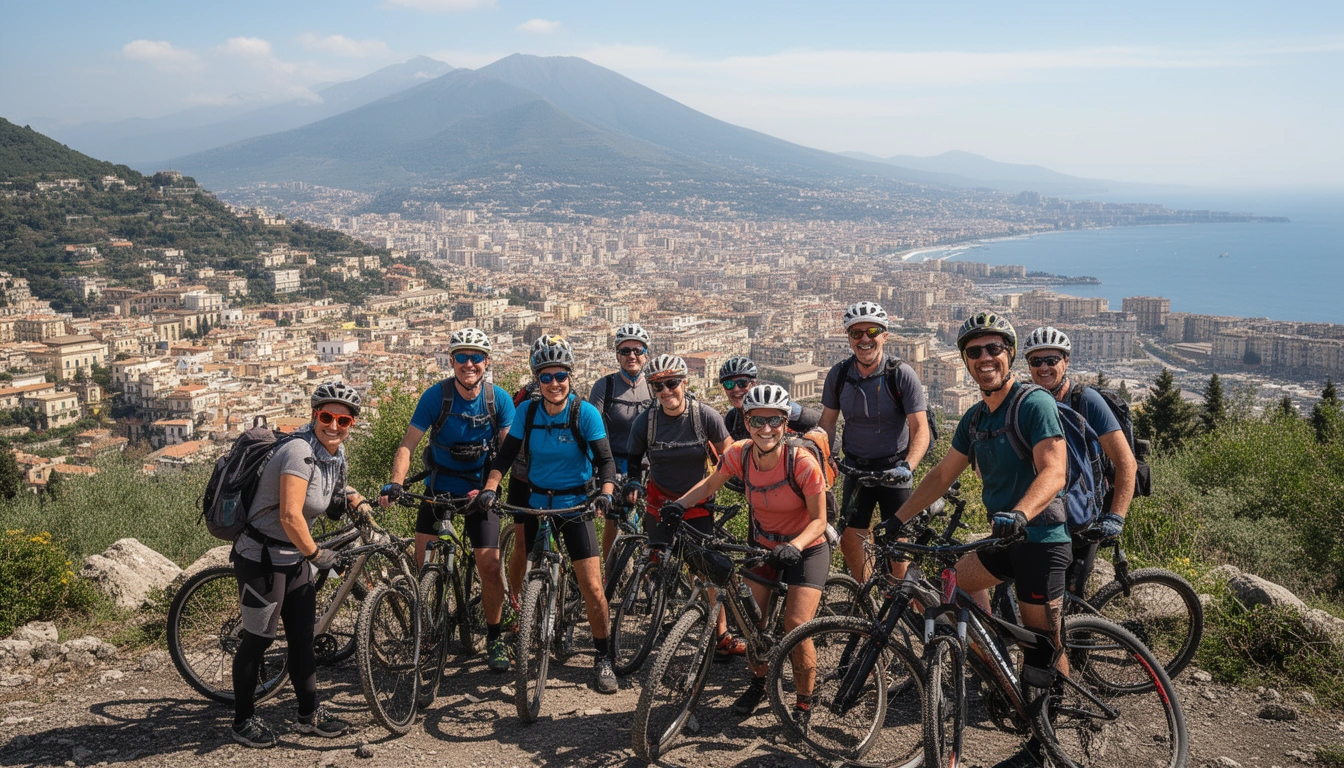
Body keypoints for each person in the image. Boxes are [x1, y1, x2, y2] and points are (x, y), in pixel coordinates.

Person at [891, 312, 1069, 768]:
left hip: (1041, 538)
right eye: (975, 351)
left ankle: (1052, 736)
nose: (985, 358)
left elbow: (1054, 470)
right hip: (1004, 539)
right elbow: (942, 474)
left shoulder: (1033, 404)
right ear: (966, 361)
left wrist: (1021, 512)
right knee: (956, 584)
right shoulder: (974, 418)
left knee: (1042, 645)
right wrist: (897, 520)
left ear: (1010, 354)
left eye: (994, 349)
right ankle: (996, 662)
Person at [663, 384, 830, 717]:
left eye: (774, 420)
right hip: (764, 544)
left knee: (797, 626)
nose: (766, 429)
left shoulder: (802, 462)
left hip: (806, 547)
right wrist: (679, 505)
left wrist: (794, 545)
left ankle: (804, 703)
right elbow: (710, 484)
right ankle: (759, 683)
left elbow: (819, 521)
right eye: (757, 421)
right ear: (746, 422)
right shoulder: (739, 454)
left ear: (785, 423)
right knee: (754, 624)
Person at [478, 338, 622, 694]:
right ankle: (525, 618)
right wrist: (490, 488)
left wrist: (605, 494)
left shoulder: (583, 413)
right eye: (546, 377)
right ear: (537, 380)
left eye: (560, 376)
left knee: (592, 586)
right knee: (526, 558)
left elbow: (606, 461)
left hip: (575, 504)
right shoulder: (528, 412)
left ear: (570, 376)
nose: (554, 384)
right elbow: (506, 456)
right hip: (537, 500)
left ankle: (603, 656)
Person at [230, 382, 366, 748]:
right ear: (314, 415)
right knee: (258, 640)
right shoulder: (299, 452)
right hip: (262, 557)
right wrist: (316, 554)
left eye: (343, 420)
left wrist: (357, 499)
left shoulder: (332, 455)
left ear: (351, 424)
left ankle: (309, 714)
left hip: (294, 557)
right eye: (327, 417)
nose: (334, 425)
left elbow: (331, 492)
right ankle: (242, 720)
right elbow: (290, 515)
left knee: (303, 640)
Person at [377, 328, 516, 672]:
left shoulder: (498, 400)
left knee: (489, 566)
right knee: (422, 562)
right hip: (439, 488)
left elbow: (507, 452)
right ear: (451, 361)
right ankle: (426, 629)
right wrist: (396, 482)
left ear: (487, 362)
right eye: (462, 357)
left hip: (480, 491)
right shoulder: (435, 397)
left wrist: (491, 488)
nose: (469, 364)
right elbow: (408, 445)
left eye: (476, 357)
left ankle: (495, 637)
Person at [624, 354, 742, 657]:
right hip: (660, 502)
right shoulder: (646, 422)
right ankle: (667, 611)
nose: (666, 391)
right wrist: (633, 482)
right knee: (658, 561)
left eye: (672, 383)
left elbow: (729, 457)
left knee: (705, 569)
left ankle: (721, 634)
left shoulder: (705, 416)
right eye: (658, 386)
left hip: (698, 504)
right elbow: (633, 460)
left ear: (685, 383)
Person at [818, 301, 931, 583]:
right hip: (856, 469)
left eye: (872, 332)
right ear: (849, 338)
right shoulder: (839, 375)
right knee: (850, 540)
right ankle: (867, 593)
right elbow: (827, 423)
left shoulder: (900, 374)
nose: (864, 339)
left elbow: (921, 429)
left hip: (895, 469)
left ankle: (901, 596)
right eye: (856, 334)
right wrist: (822, 458)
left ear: (884, 336)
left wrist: (908, 466)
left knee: (898, 544)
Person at [1022, 326, 1136, 596]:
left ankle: (1081, 622)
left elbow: (1126, 462)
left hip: (1082, 517)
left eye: (1052, 360)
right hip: (1040, 513)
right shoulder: (1026, 401)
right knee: (1037, 591)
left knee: (1073, 590)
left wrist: (1116, 516)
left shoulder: (1086, 401)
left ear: (1066, 361)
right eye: (1036, 361)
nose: (1044, 367)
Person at [587, 323, 654, 563]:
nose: (631, 356)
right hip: (614, 466)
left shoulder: (655, 388)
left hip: (648, 467)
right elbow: (592, 427)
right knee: (613, 523)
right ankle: (610, 573)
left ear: (646, 354)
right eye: (625, 351)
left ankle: (649, 575)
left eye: (637, 350)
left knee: (652, 523)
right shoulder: (604, 387)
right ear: (617, 355)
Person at [719, 355, 822, 441]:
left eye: (742, 383)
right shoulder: (732, 419)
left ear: (754, 384)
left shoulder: (780, 406)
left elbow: (821, 423)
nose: (736, 389)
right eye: (729, 384)